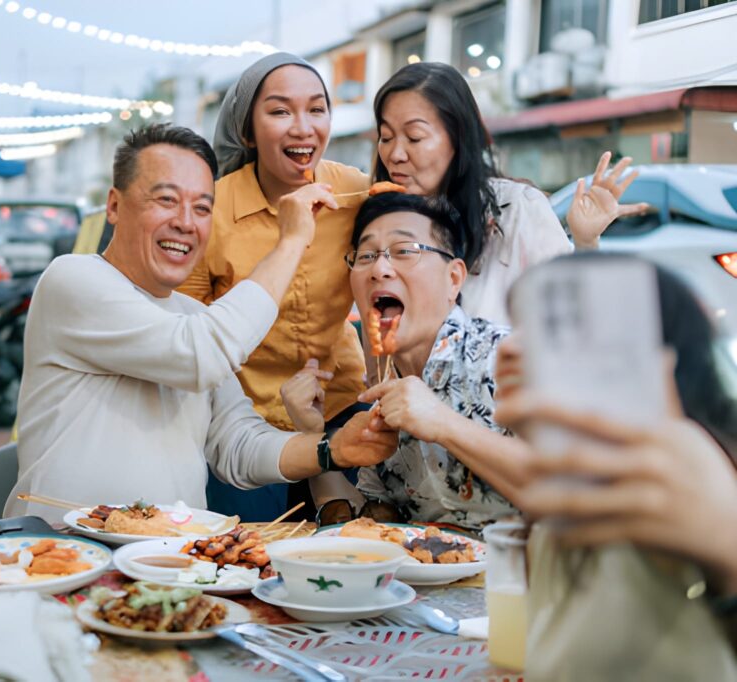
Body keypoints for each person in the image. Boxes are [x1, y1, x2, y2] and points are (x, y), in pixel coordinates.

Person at [3, 124, 399, 520]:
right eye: (166, 200)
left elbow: (237, 444)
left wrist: (333, 449)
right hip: (65, 556)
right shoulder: (73, 280)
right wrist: (292, 240)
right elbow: (201, 353)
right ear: (114, 206)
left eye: (202, 208)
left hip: (169, 565)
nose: (185, 222)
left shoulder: (194, 318)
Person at [493, 252, 737, 647]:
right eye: (517, 327)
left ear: (658, 358)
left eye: (553, 330)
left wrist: (729, 555)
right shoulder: (570, 497)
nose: (507, 349)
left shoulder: (697, 487)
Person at [177, 52, 370, 520]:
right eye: (280, 111)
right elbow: (185, 332)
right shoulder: (213, 211)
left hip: (342, 408)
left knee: (349, 556)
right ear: (247, 130)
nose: (303, 127)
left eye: (317, 109)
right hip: (245, 426)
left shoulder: (355, 193)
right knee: (245, 561)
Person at [286, 190, 533, 531]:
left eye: (404, 251)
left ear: (453, 279)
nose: (380, 269)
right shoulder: (385, 392)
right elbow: (371, 520)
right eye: (366, 255)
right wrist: (313, 435)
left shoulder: (511, 357)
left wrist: (443, 422)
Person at [372, 61, 644, 325]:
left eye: (415, 137)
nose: (395, 155)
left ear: (459, 137)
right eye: (386, 137)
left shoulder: (515, 208)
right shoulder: (379, 220)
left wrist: (585, 243)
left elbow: (571, 313)